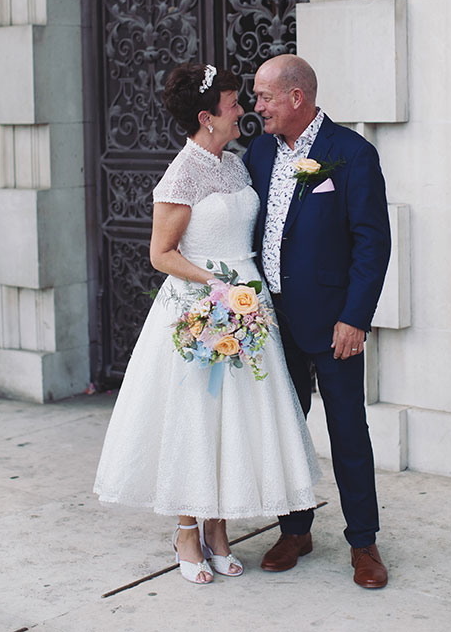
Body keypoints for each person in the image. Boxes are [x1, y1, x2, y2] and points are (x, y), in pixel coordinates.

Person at [94, 62, 320, 585]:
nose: (242, 110)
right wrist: (216, 286)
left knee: (231, 420)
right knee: (196, 418)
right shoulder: (182, 174)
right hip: (202, 306)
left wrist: (244, 292)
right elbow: (161, 254)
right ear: (207, 116)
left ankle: (218, 527)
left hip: (248, 305)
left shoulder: (237, 164)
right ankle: (186, 530)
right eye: (233, 103)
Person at [243, 54, 391, 589]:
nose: (256, 107)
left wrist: (355, 317)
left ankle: (364, 542)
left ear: (297, 98)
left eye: (264, 97)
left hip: (334, 325)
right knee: (285, 430)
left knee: (348, 430)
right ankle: (295, 530)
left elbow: (373, 245)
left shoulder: (351, 154)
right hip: (271, 321)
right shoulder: (259, 152)